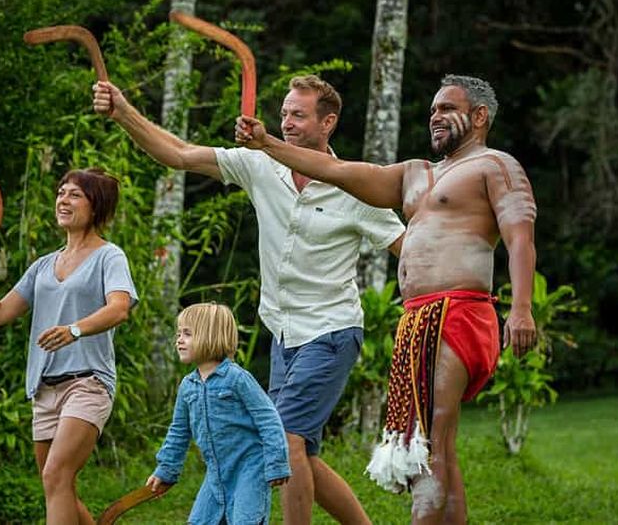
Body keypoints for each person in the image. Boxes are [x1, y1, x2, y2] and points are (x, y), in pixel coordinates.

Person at [93, 74, 404, 524]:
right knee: (303, 455)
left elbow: (407, 248)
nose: (287, 123)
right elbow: (178, 154)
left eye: (298, 115)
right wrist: (122, 111)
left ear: (328, 122)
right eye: (284, 114)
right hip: (282, 334)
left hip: (332, 330)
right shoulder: (261, 167)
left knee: (286, 439)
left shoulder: (354, 186)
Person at [235, 74, 538, 524]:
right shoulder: (418, 173)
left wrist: (522, 308)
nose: (435, 116)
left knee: (431, 440)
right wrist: (267, 145)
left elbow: (520, 237)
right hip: (418, 319)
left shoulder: (495, 166)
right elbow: (338, 171)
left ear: (479, 117)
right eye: (432, 108)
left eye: (447, 108)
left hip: (457, 311)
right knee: (434, 443)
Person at [0, 167, 138, 524]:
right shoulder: (42, 266)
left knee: (56, 476)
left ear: (95, 206)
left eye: (74, 194)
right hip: (44, 390)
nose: (62, 200)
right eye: (61, 192)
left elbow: (119, 308)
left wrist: (75, 330)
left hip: (88, 383)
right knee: (57, 486)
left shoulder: (109, 256)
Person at [146, 302, 290, 524]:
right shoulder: (188, 386)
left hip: (249, 468)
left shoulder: (237, 379)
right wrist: (166, 470)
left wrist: (276, 463)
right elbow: (179, 432)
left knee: (245, 520)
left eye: (187, 334)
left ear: (210, 336)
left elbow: (268, 419)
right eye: (178, 334)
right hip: (216, 473)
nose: (179, 340)